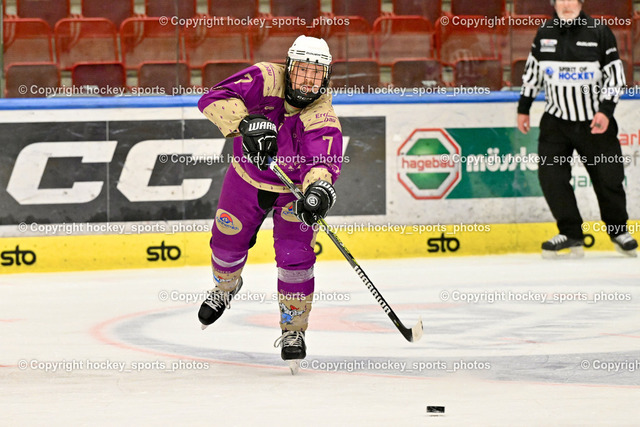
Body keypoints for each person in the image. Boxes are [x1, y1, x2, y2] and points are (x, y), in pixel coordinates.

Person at [196, 35, 343, 364]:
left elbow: (322, 163)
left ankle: (294, 328)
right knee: (226, 242)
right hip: (246, 179)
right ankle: (225, 287)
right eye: (302, 70)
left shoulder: (321, 115)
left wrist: (318, 192)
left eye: (316, 74)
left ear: (326, 77)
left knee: (295, 258)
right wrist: (245, 122)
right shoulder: (265, 77)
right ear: (289, 67)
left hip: (292, 191)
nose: (307, 81)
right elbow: (212, 97)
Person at [517, 0, 637, 258]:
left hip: (594, 122)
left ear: (581, 2)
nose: (566, 4)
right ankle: (571, 233)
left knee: (609, 178)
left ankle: (618, 231)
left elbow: (615, 78)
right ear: (554, 3)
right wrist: (523, 108)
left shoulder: (599, 32)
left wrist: (605, 111)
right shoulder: (544, 33)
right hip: (556, 122)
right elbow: (532, 74)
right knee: (551, 178)